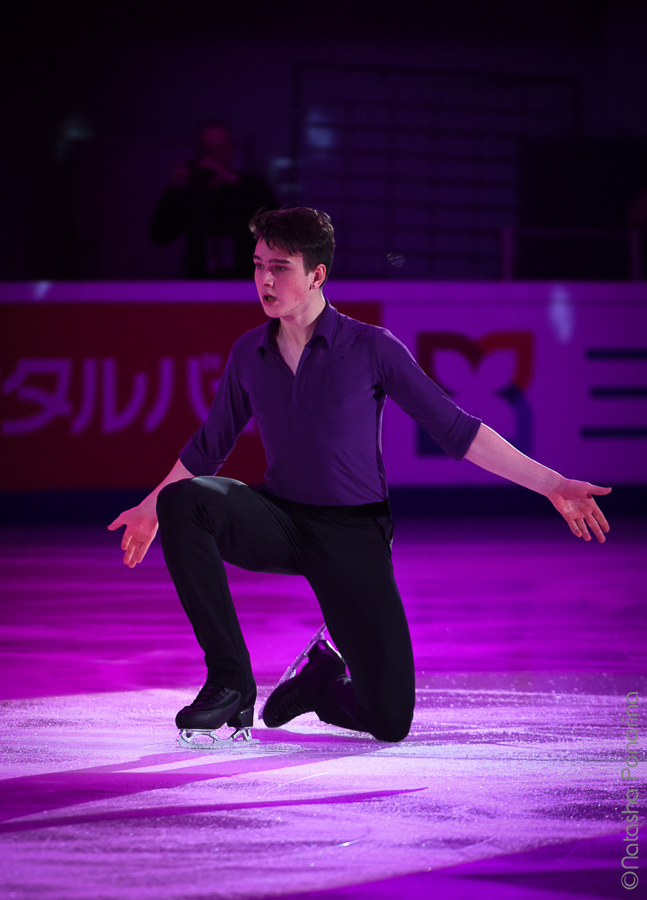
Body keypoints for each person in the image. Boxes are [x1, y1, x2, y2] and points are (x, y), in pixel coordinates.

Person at [109, 207, 611, 744]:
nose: (264, 279)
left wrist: (553, 484)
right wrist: (149, 508)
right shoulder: (249, 353)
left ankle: (320, 682)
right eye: (258, 265)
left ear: (316, 275)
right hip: (280, 519)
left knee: (389, 720)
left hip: (353, 535)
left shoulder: (371, 347)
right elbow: (211, 446)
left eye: (279, 267)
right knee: (184, 501)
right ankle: (230, 681)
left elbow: (457, 430)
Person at [149, 119, 278, 279]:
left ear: (230, 148)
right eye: (208, 150)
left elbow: (275, 227)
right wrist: (174, 190)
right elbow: (159, 235)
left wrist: (234, 181)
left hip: (244, 281)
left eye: (220, 149)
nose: (214, 157)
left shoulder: (249, 186)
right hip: (198, 283)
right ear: (198, 149)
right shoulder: (190, 190)